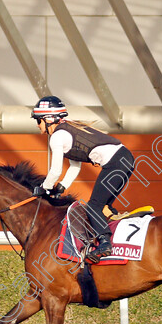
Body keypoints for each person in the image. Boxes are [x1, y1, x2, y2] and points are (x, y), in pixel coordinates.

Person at [30, 95, 135, 263]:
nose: (37, 125)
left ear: (48, 119)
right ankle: (114, 230)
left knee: (93, 206)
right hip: (125, 159)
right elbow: (75, 166)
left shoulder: (57, 137)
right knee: (104, 207)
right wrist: (61, 187)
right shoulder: (67, 130)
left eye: (38, 120)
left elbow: (55, 170)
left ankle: (105, 243)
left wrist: (44, 188)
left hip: (115, 163)